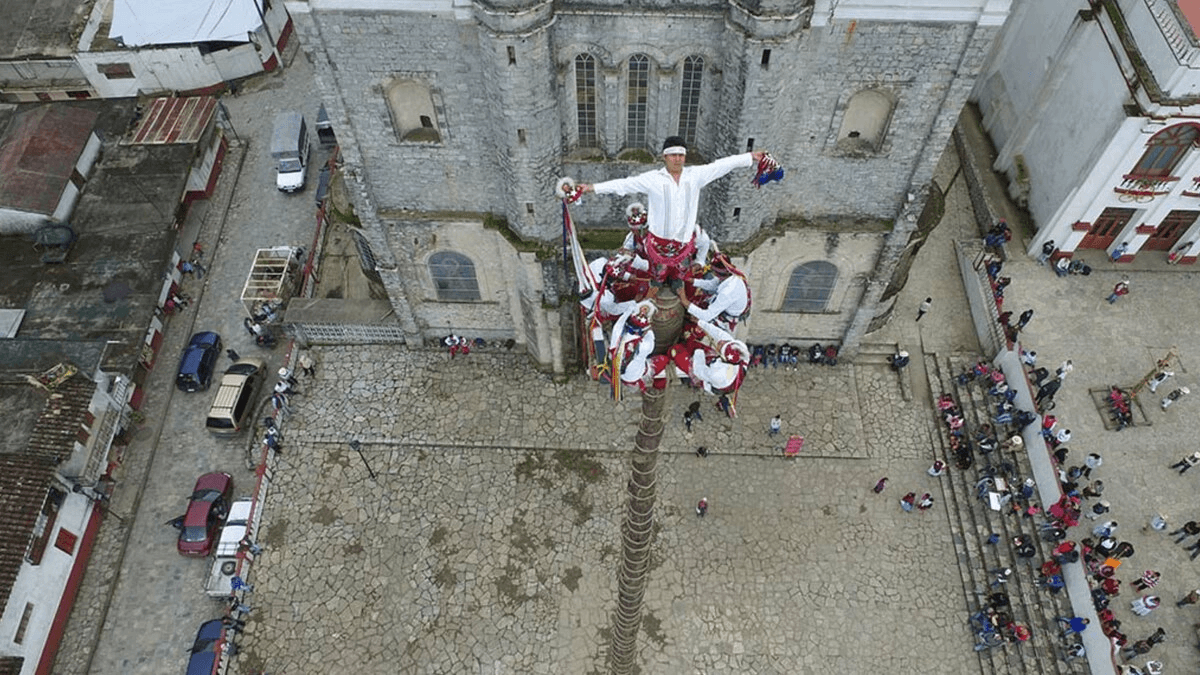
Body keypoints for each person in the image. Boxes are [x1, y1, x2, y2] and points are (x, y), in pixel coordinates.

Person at [581, 138, 767, 288]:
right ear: (665, 157)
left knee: (681, 275)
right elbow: (622, 184)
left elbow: (722, 165)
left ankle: (677, 284)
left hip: (683, 244)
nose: (677, 159)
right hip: (658, 244)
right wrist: (590, 188)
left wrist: (750, 157)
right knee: (657, 274)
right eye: (673, 155)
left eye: (681, 155)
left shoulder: (695, 175)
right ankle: (658, 282)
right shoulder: (653, 179)